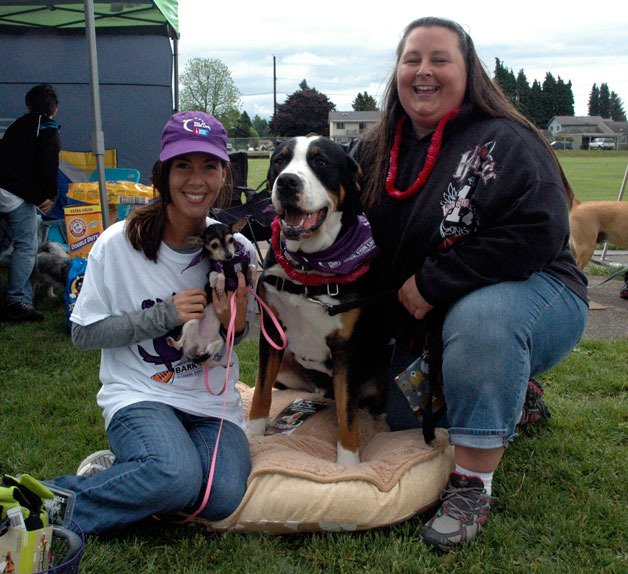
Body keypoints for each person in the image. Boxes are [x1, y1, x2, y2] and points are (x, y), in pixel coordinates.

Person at [351, 17, 588, 550]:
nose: (423, 71)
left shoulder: (508, 139)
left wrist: (437, 281)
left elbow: (541, 228)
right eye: (412, 59)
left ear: (468, 71)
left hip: (536, 293)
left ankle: (471, 485)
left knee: (482, 320)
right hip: (428, 314)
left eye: (440, 59)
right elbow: (322, 201)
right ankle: (517, 396)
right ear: (397, 71)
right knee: (399, 415)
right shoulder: (373, 149)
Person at [45, 111, 256, 534]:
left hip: (211, 404)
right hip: (141, 394)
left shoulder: (239, 250)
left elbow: (240, 334)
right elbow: (84, 334)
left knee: (221, 497)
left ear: (223, 175)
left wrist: (234, 317)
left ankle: (127, 475)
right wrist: (164, 315)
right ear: (164, 172)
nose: (196, 180)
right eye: (183, 166)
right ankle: (48, 505)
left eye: (209, 166)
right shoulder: (117, 244)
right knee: (175, 475)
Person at [0, 84, 60, 322]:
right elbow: (48, 167)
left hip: (6, 187)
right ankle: (17, 300)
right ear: (54, 108)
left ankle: (22, 294)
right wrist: (47, 196)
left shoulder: (16, 126)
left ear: (28, 106)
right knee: (26, 245)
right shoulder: (47, 127)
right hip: (14, 193)